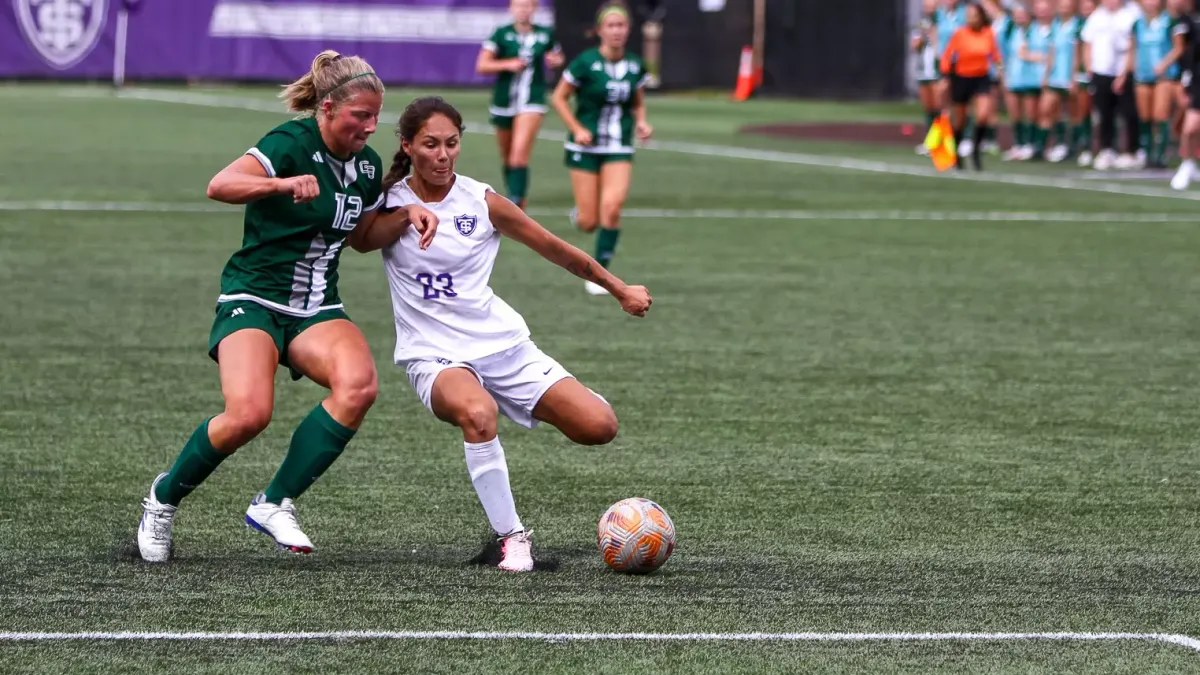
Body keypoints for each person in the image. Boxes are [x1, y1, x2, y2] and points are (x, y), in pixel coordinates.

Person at [135, 51, 439, 563]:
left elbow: (362, 237)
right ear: (326, 108)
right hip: (253, 297)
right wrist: (278, 184)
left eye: (375, 115)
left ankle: (275, 500)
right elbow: (220, 184)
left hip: (316, 305)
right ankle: (162, 500)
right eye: (359, 115)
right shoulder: (290, 142)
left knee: (359, 386)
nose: (370, 125)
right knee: (249, 414)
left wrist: (407, 214)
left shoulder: (365, 166)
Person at [371, 96, 653, 571]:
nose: (442, 155)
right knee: (478, 415)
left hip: (501, 346)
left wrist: (619, 287)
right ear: (407, 145)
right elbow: (359, 239)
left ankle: (562, 394)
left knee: (599, 428)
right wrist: (405, 215)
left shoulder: (480, 201)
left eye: (452, 144)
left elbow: (555, 248)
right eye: (430, 145)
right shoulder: (390, 200)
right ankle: (512, 538)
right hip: (433, 355)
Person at [551, 2, 653, 296]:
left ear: (628, 29)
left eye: (621, 25)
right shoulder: (585, 62)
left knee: (612, 208)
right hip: (585, 147)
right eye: (610, 26)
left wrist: (643, 122)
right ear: (599, 31)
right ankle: (581, 213)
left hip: (619, 144)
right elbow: (559, 97)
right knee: (588, 221)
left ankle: (602, 274)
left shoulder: (635, 65)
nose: (616, 31)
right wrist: (577, 128)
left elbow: (637, 100)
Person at [476, 0, 565, 210]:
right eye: (519, 5)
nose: (524, 10)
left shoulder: (545, 33)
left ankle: (517, 200)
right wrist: (508, 64)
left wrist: (556, 60)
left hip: (532, 100)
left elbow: (557, 56)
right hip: (504, 100)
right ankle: (513, 194)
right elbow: (482, 65)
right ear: (511, 8)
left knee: (519, 153)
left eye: (528, 6)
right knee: (507, 155)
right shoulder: (501, 33)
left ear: (534, 9)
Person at [941, 2, 1003, 169]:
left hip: (981, 77)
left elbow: (996, 56)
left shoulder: (988, 33)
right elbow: (948, 55)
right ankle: (956, 154)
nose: (971, 19)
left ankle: (976, 149)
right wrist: (946, 75)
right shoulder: (960, 34)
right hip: (962, 77)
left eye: (974, 15)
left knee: (983, 114)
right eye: (968, 15)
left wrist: (999, 70)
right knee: (960, 119)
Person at [1082, 0, 1142, 170]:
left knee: (1128, 112)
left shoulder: (1131, 14)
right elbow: (1087, 43)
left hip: (1123, 70)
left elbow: (1133, 45)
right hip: (1101, 70)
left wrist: (1124, 73)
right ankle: (1106, 149)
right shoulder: (1097, 16)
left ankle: (1132, 151)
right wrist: (1089, 69)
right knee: (1104, 113)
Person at [1128, 0, 1183, 168]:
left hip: (1163, 76)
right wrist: (1129, 70)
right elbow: (1133, 49)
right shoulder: (1137, 23)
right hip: (1142, 75)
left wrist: (1164, 64)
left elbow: (1179, 47)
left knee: (1161, 113)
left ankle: (1160, 154)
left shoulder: (1170, 21)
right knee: (1145, 116)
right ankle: (1147, 152)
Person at [1044, 0, 1084, 162]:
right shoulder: (1055, 24)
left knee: (1074, 112)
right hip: (1055, 74)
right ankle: (1060, 143)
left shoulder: (1077, 25)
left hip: (1070, 74)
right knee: (1049, 108)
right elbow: (1052, 51)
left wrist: (1074, 76)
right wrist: (1046, 74)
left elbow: (1077, 53)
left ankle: (1074, 146)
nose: (1064, 7)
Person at [1170, 0, 1200, 187]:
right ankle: (1187, 163)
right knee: (1190, 127)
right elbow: (1187, 52)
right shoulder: (1190, 18)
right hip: (1197, 79)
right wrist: (1184, 78)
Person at [915, 0, 945, 156]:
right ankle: (930, 140)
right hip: (923, 72)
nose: (928, 8)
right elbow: (915, 46)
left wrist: (933, 35)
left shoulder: (943, 21)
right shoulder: (921, 22)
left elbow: (941, 46)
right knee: (929, 108)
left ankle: (941, 140)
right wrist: (921, 36)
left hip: (937, 71)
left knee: (939, 106)